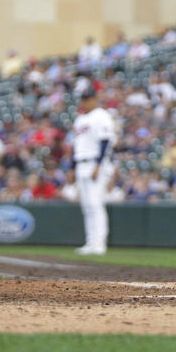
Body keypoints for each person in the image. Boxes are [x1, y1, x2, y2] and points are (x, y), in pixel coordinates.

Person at [71, 86, 117, 255]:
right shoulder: (80, 119)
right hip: (81, 162)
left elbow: (105, 141)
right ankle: (90, 242)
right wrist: (71, 166)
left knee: (95, 203)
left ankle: (99, 243)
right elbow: (77, 145)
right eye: (83, 99)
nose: (84, 102)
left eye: (87, 98)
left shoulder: (101, 116)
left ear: (94, 99)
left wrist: (98, 165)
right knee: (86, 205)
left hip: (95, 163)